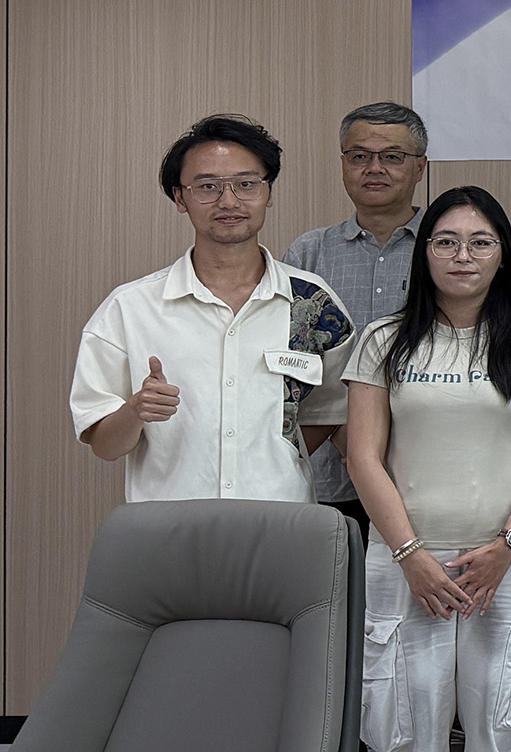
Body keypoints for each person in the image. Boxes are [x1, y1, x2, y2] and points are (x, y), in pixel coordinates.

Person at [344, 187, 511, 752]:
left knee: (502, 728)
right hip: (406, 563)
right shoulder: (384, 340)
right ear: (424, 252)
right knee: (403, 730)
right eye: (446, 242)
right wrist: (410, 556)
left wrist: (508, 545)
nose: (463, 256)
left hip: (505, 562)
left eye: (480, 243)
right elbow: (362, 456)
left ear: (503, 254)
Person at [73, 114, 356, 502]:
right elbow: (104, 445)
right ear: (180, 198)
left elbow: (331, 413)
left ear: (268, 192)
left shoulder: (313, 303)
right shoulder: (129, 309)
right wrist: (136, 411)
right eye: (208, 186)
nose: (229, 201)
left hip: (279, 523)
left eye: (246, 184)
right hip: (170, 526)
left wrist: (272, 454)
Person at [285, 100, 430, 529]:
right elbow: (290, 363)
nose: (374, 168)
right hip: (329, 475)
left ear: (420, 167)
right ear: (344, 164)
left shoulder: (447, 248)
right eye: (360, 156)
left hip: (426, 472)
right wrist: (340, 432)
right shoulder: (308, 254)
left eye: (392, 157)